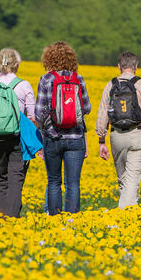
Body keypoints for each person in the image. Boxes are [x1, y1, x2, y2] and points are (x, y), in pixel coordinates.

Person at [96, 51, 141, 209]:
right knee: (132, 179)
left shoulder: (110, 85)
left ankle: (129, 218)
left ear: (119, 67)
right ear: (136, 67)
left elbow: (102, 117)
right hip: (137, 134)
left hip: (116, 136)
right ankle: (122, 214)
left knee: (124, 179)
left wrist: (101, 140)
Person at [35, 41, 91, 215]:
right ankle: (72, 220)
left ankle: (54, 218)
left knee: (54, 181)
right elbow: (86, 108)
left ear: (49, 59)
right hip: (76, 138)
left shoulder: (46, 79)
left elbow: (38, 113)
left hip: (53, 138)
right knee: (73, 183)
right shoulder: (78, 79)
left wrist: (50, 127)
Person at [0, 48, 36, 218]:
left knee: (0, 179)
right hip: (16, 137)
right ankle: (12, 218)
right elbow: (33, 117)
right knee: (16, 179)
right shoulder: (24, 85)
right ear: (16, 64)